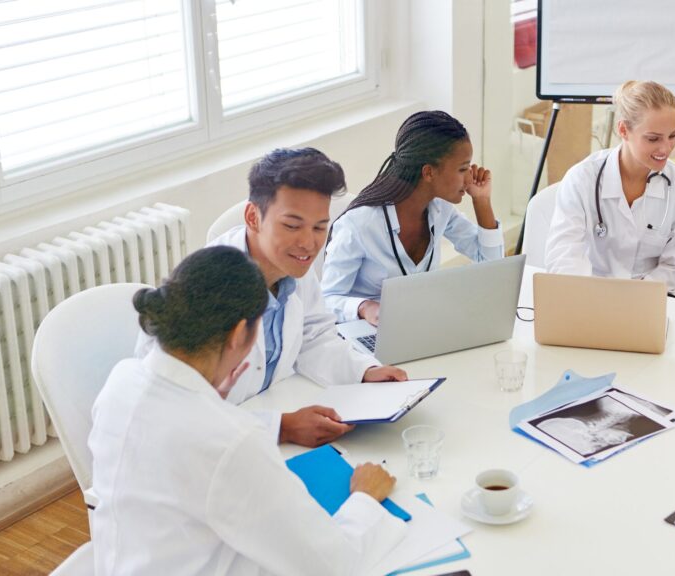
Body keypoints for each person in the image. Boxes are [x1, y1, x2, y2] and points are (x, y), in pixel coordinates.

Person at [91, 246, 406, 575]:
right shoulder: (231, 440)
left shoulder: (122, 380)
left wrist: (210, 398)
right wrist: (366, 498)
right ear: (240, 333)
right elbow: (333, 564)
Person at [140, 148, 407, 447]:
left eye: (320, 227)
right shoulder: (208, 287)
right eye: (292, 226)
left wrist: (364, 371)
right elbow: (182, 409)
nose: (308, 243)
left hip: (268, 412)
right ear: (253, 217)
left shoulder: (293, 268)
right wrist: (281, 428)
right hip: (211, 446)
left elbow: (316, 337)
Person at [321, 111, 504, 325]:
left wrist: (482, 202)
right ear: (428, 173)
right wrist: (364, 307)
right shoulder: (359, 225)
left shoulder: (441, 208)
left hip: (420, 325)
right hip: (367, 334)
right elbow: (326, 300)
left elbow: (493, 267)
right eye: (463, 168)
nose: (470, 177)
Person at [544, 80, 675, 299]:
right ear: (623, 130)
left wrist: (634, 297)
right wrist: (589, 298)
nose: (666, 148)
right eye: (653, 138)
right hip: (591, 296)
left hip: (654, 296)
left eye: (672, 135)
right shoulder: (582, 180)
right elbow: (564, 255)